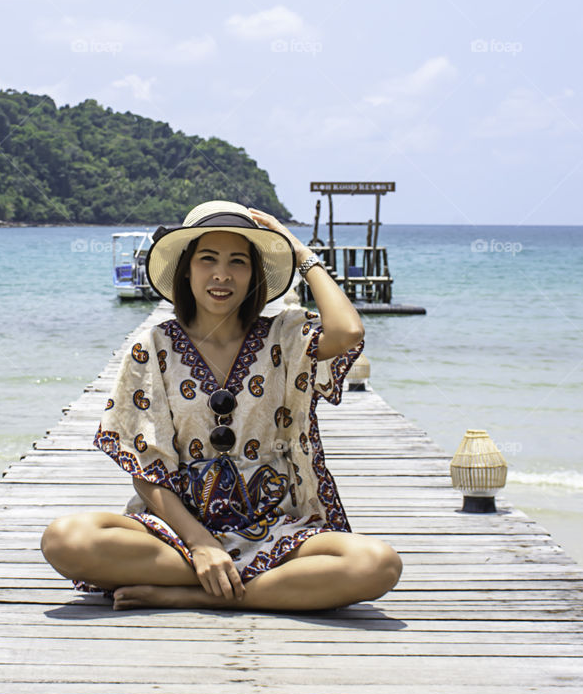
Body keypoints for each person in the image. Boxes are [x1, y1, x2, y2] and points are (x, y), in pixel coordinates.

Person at [40, 200, 403, 611]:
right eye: (207, 259)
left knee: (378, 564)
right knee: (64, 539)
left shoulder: (283, 337)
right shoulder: (153, 347)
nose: (221, 274)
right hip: (175, 535)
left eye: (238, 262)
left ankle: (203, 594)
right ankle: (252, 583)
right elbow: (147, 469)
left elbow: (348, 331)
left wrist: (300, 252)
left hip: (272, 531)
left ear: (254, 275)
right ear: (186, 269)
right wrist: (199, 545)